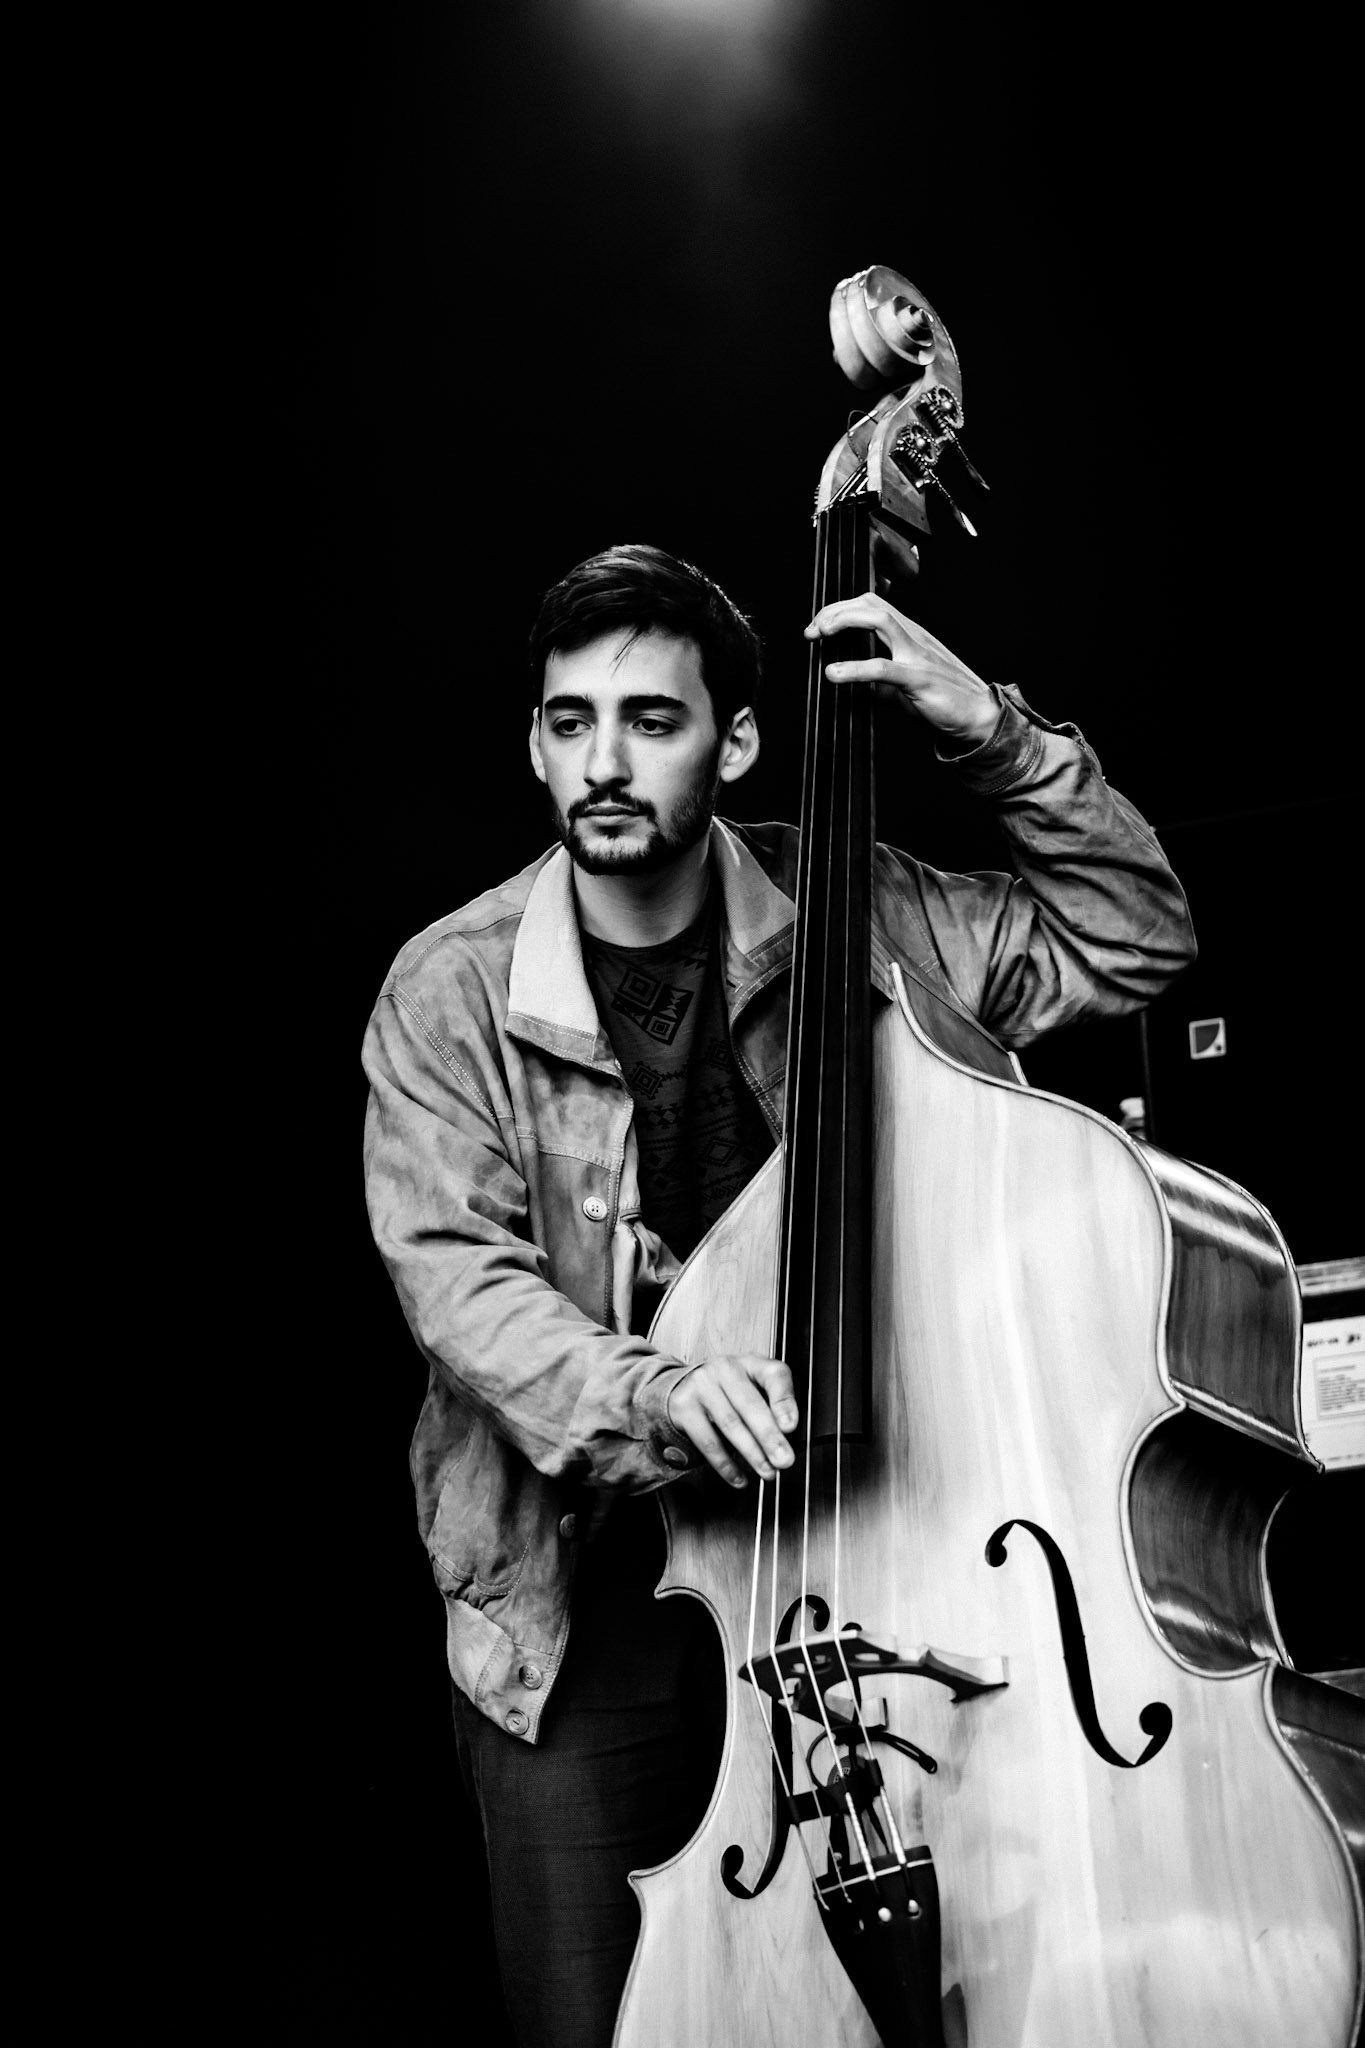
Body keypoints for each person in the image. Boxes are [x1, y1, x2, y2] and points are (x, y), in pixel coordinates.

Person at [361, 542, 1195, 2047]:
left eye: (651, 721)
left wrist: (988, 733)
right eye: (569, 722)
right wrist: (664, 1395)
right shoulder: (448, 990)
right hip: (584, 1604)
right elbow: (462, 1288)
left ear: (736, 740)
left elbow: (1131, 937)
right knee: (598, 2023)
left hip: (876, 1555)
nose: (602, 764)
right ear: (535, 742)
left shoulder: (853, 903)